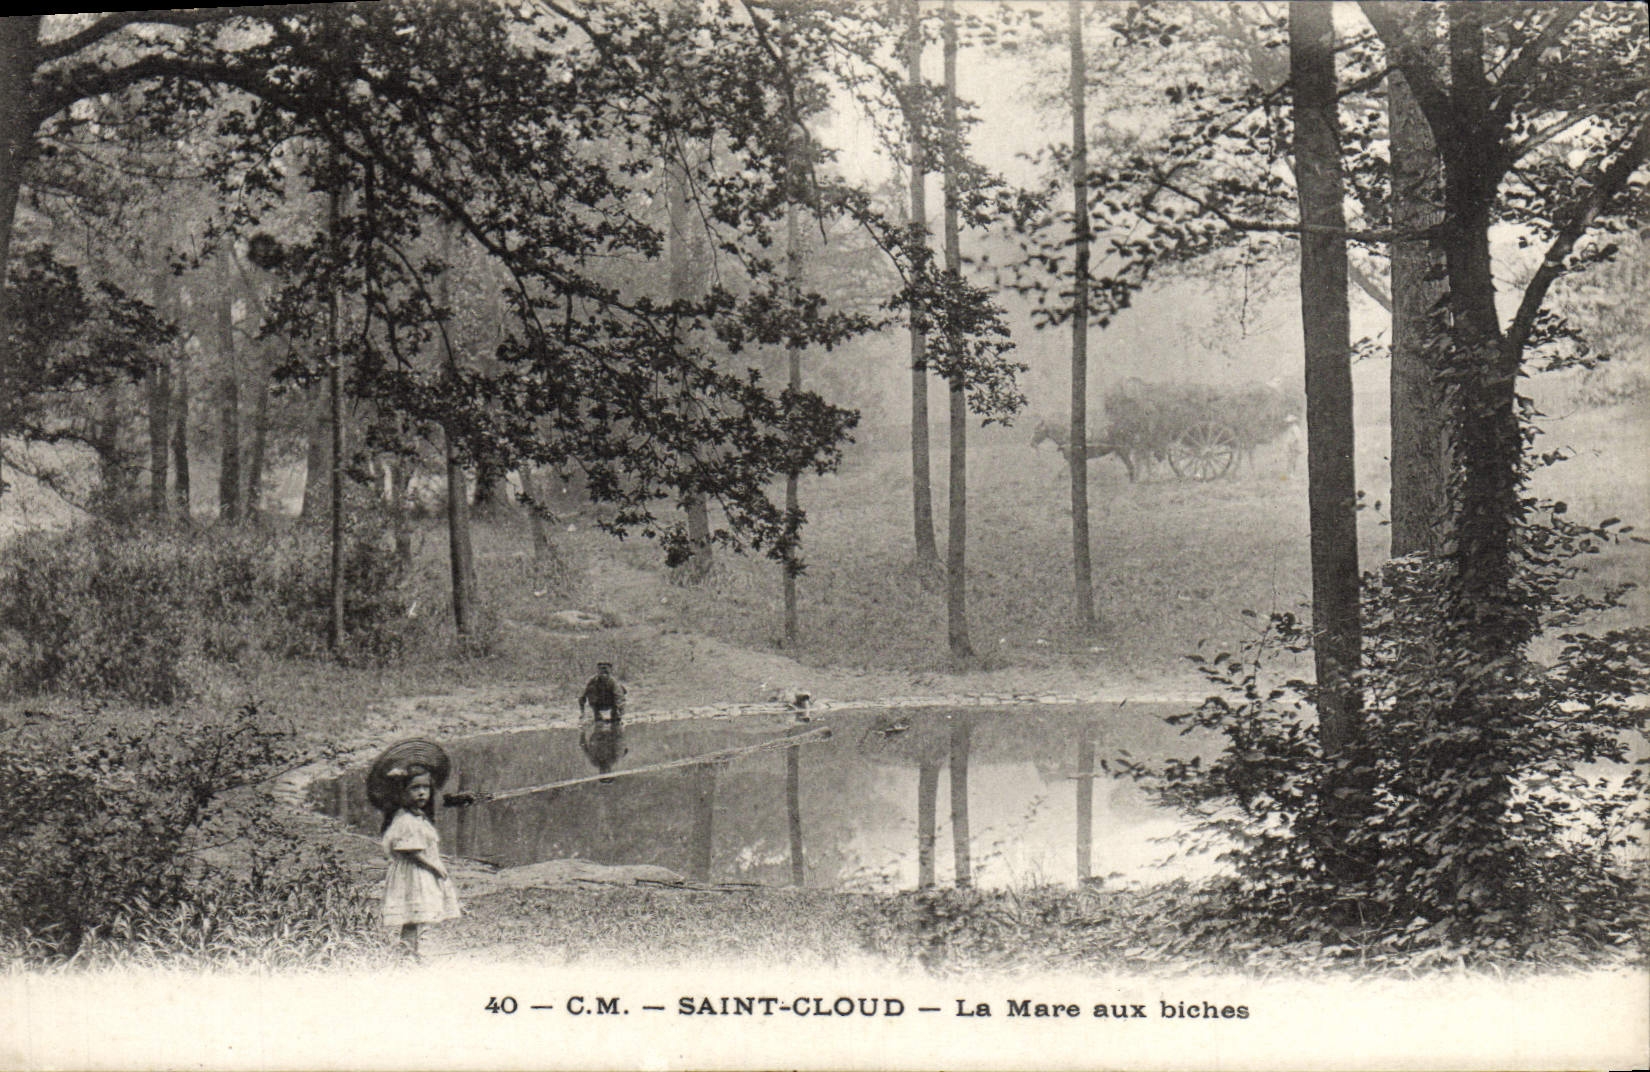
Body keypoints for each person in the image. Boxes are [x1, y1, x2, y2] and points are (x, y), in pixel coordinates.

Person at [380, 766, 461, 957]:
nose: (422, 793)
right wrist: (435, 868)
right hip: (413, 873)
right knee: (414, 916)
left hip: (418, 871)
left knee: (416, 918)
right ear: (402, 793)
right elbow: (411, 852)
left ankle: (411, 953)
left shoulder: (417, 817)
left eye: (426, 788)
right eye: (415, 788)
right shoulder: (406, 820)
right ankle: (409, 954)